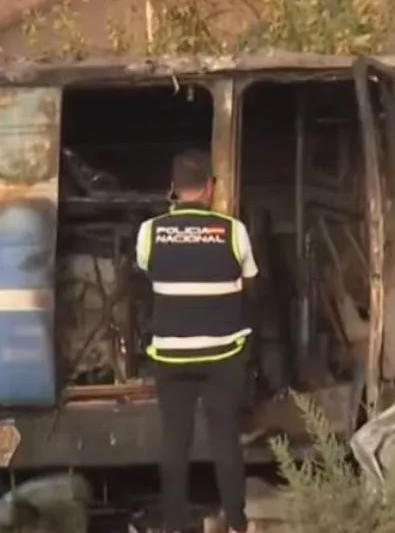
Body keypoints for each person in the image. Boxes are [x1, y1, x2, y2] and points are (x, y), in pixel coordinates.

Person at [135, 149, 259, 533]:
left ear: (173, 188)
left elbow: (146, 275)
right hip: (224, 355)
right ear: (210, 187)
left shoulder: (150, 232)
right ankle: (236, 523)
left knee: (175, 440)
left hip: (171, 356)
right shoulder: (233, 231)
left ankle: (173, 524)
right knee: (225, 439)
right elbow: (250, 284)